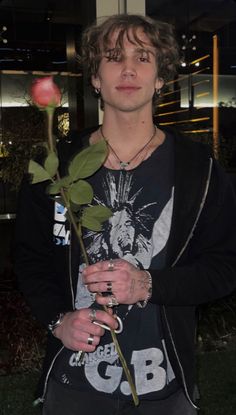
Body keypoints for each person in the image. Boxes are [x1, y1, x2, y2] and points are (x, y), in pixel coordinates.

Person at [15, 13, 236, 415]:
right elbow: (31, 259)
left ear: (160, 78)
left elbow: (224, 267)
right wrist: (58, 320)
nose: (128, 68)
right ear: (95, 78)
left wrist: (148, 285)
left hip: (165, 390)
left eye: (143, 57)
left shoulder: (198, 169)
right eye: (113, 57)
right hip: (73, 387)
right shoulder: (58, 168)